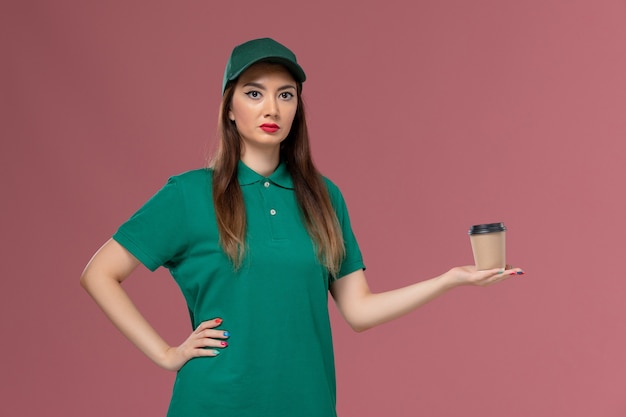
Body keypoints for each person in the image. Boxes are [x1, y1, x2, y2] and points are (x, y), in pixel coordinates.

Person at [80, 37, 524, 417]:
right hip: (215, 402)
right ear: (229, 108)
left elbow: (359, 311)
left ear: (297, 109)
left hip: (307, 403)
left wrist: (450, 280)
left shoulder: (324, 197)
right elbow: (99, 273)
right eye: (254, 93)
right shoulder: (190, 195)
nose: (271, 107)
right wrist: (166, 354)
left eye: (285, 94)